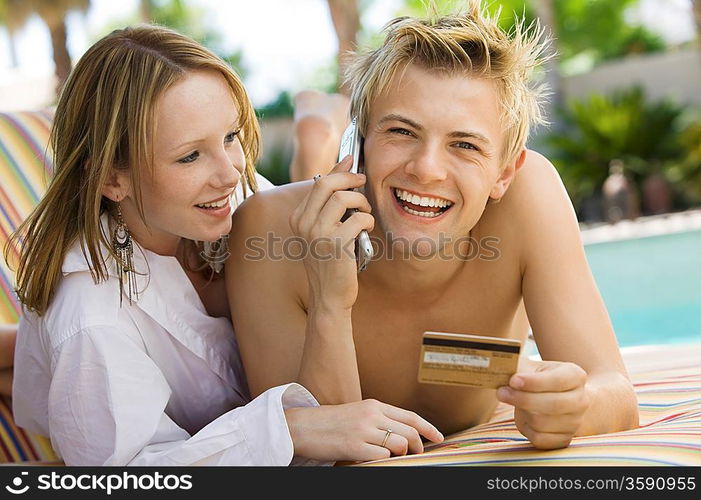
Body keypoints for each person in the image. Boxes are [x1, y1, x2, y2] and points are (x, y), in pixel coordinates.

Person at [5, 25, 443, 466]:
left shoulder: (231, 205)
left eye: (231, 136)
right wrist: (289, 429)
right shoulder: (90, 318)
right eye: (190, 156)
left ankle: (311, 153)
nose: (230, 173)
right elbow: (124, 476)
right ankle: (312, 149)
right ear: (111, 178)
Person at [227, 1, 639, 450]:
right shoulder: (266, 229)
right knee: (313, 186)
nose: (426, 169)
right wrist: (329, 300)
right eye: (401, 132)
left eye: (464, 144)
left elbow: (615, 394)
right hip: (317, 211)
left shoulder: (528, 192)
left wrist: (576, 405)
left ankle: (319, 138)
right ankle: (317, 142)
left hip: (471, 370)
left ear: (504, 172)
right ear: (360, 141)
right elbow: (318, 451)